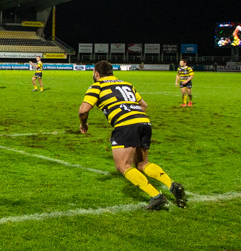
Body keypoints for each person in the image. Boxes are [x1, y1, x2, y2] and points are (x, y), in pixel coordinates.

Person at [79, 60, 186, 210]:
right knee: (142, 164)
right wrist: (133, 118)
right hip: (144, 122)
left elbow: (83, 110)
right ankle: (172, 185)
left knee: (123, 165)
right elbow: (144, 105)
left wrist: (84, 124)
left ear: (96, 73)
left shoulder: (97, 86)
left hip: (125, 125)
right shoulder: (127, 84)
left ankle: (156, 197)